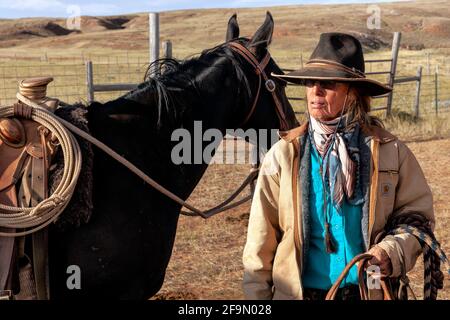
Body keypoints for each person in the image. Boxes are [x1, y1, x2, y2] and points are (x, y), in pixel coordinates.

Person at [242, 33, 434, 300]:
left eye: (328, 83)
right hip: (299, 294)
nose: (315, 91)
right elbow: (259, 245)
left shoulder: (391, 152)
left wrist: (391, 251)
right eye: (310, 82)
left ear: (353, 92)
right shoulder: (284, 155)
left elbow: (417, 217)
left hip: (370, 292)